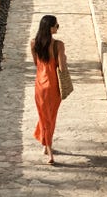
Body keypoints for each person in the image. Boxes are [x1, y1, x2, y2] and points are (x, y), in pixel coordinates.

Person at [30, 14, 67, 164]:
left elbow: (36, 63)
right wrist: (63, 59)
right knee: (50, 118)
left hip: (40, 86)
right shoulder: (59, 45)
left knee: (43, 116)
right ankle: (50, 151)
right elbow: (62, 68)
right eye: (56, 25)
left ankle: (45, 145)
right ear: (50, 28)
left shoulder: (33, 43)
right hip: (53, 87)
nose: (58, 28)